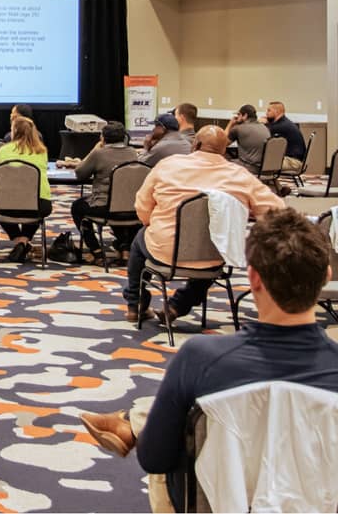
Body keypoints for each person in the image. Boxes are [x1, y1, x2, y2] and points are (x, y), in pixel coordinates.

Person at [81, 209, 338, 513]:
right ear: (326, 277)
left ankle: (134, 422)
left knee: (183, 418)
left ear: (253, 277)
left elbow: (154, 459)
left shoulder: (200, 357)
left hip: (212, 505)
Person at [123, 125, 283, 323]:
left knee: (140, 239)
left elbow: (142, 207)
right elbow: (277, 211)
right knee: (215, 249)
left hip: (164, 250)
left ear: (195, 144)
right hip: (215, 254)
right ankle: (176, 306)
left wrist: (151, 224)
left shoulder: (168, 165)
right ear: (224, 150)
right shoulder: (240, 176)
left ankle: (135, 303)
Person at [72, 120, 139, 262]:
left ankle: (96, 250)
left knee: (77, 207)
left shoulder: (99, 153)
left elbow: (80, 173)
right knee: (119, 205)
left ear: (102, 137)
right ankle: (125, 248)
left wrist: (95, 149)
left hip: (104, 207)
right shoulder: (133, 153)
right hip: (130, 207)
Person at [0, 116, 52, 262]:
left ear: (13, 131)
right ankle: (24, 241)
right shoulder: (42, 151)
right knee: (36, 210)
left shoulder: (3, 150)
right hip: (38, 204)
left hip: (7, 205)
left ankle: (19, 241)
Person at [225, 103, 270, 175]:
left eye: (239, 114)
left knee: (223, 163)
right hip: (267, 168)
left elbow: (222, 143)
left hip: (251, 168)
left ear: (245, 115)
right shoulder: (264, 127)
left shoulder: (238, 128)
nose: (237, 117)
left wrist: (230, 124)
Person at [264, 101, 306, 173]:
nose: (266, 113)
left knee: (262, 164)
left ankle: (270, 183)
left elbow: (264, 131)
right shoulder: (284, 122)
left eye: (269, 110)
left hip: (293, 162)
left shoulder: (282, 126)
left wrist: (261, 123)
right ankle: (272, 183)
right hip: (294, 159)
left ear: (276, 111)